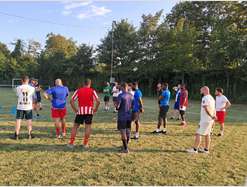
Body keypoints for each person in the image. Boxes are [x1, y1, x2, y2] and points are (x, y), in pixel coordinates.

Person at [68, 79, 100, 149]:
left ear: (83, 83)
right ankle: (85, 144)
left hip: (80, 111)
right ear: (90, 84)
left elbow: (71, 101)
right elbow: (98, 101)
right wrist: (96, 109)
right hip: (89, 111)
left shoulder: (78, 90)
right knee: (88, 127)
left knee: (75, 127)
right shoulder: (92, 91)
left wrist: (75, 109)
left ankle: (71, 143)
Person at [187, 86, 216, 154]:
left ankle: (195, 149)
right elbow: (214, 109)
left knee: (198, 133)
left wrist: (211, 116)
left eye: (201, 90)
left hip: (205, 119)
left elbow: (206, 108)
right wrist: (214, 116)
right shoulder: (212, 98)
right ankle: (206, 149)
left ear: (205, 90)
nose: (200, 92)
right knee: (207, 134)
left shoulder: (205, 98)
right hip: (210, 120)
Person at [13, 76, 35, 140]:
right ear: (28, 81)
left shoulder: (18, 88)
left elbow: (18, 95)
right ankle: (29, 134)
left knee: (18, 120)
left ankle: (16, 135)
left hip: (20, 106)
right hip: (28, 106)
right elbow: (33, 97)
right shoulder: (32, 88)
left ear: (22, 80)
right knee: (29, 121)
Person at [116, 83, 133, 153]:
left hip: (122, 116)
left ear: (122, 87)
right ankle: (125, 146)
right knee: (128, 131)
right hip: (129, 116)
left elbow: (118, 106)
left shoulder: (120, 95)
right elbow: (132, 105)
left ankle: (125, 148)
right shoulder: (131, 95)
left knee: (123, 132)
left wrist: (116, 106)